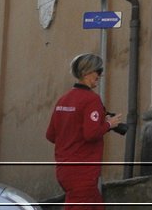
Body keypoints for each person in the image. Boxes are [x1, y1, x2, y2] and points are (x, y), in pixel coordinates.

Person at [46, 53, 124, 209]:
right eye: (99, 71)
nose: (100, 76)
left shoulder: (63, 99)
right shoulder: (91, 99)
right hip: (83, 171)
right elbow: (91, 134)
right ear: (88, 73)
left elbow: (51, 135)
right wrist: (109, 124)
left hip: (64, 169)